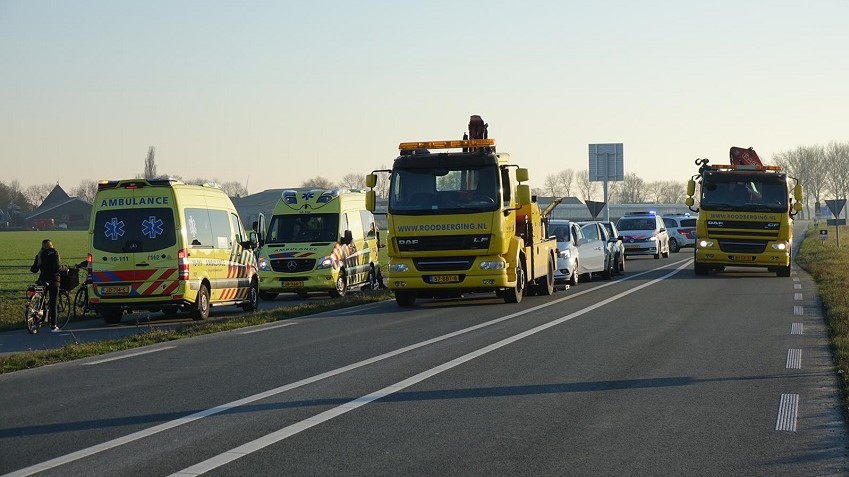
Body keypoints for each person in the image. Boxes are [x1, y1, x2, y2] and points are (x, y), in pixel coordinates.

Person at [30, 239, 62, 332]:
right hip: (53, 280)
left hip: (42, 280)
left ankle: (41, 320)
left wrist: (39, 263)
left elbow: (34, 270)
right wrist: (65, 268)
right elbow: (57, 267)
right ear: (51, 245)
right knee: (53, 303)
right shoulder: (54, 253)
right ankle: (53, 326)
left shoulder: (40, 255)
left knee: (41, 301)